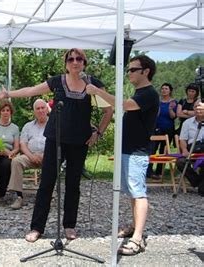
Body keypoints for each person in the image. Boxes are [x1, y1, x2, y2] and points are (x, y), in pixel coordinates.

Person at [0, 48, 113, 242]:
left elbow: (109, 110)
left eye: (79, 59)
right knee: (47, 183)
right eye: (71, 59)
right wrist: (8, 94)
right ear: (66, 63)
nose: (75, 62)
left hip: (79, 141)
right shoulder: (58, 81)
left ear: (84, 62)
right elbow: (32, 90)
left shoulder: (93, 84)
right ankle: (37, 227)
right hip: (55, 139)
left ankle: (69, 225)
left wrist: (98, 133)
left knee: (73, 184)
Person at [86, 55, 160, 255]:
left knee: (138, 193)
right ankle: (136, 227)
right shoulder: (141, 92)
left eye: (132, 69)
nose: (129, 73)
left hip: (136, 152)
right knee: (132, 192)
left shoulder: (149, 93)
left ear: (146, 71)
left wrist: (98, 91)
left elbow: (125, 105)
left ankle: (137, 238)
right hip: (128, 151)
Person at [8, 99, 49, 210]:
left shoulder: (53, 125)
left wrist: (45, 155)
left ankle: (45, 197)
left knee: (54, 162)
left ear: (47, 109)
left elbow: (57, 144)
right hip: (30, 155)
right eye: (37, 108)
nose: (40, 110)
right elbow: (23, 144)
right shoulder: (28, 126)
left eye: (42, 108)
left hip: (48, 156)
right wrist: (31, 156)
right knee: (16, 161)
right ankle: (19, 196)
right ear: (34, 111)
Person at [147, 83, 177, 179]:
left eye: (166, 89)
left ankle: (159, 172)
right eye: (162, 88)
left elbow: (173, 116)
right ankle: (149, 171)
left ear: (170, 91)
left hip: (168, 129)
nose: (164, 90)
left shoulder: (173, 102)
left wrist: (170, 109)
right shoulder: (157, 102)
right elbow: (154, 115)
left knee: (163, 151)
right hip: (156, 128)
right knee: (152, 149)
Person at [176, 100, 204, 196]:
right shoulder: (187, 123)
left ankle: (201, 184)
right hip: (192, 149)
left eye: (200, 107)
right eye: (196, 107)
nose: (198, 109)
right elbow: (183, 139)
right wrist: (184, 150)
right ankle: (197, 181)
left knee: (202, 192)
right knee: (180, 162)